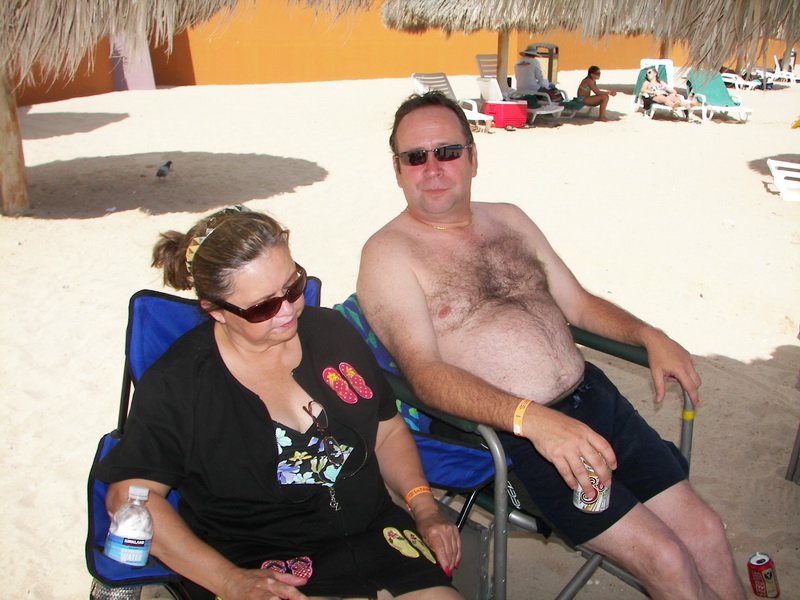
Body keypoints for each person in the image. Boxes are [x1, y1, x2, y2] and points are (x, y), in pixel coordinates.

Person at [356, 92, 746, 600]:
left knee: (706, 533)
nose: (432, 168)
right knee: (666, 558)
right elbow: (425, 375)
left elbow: (577, 304)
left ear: (473, 157)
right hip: (518, 440)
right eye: (415, 157)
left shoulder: (509, 220)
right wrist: (531, 420)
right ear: (397, 170)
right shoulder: (388, 254)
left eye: (447, 152)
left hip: (595, 400)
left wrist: (648, 335)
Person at [96, 206, 462, 600]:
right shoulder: (180, 384)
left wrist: (424, 508)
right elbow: (129, 497)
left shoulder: (332, 332)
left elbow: (386, 430)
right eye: (263, 306)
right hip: (260, 563)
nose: (288, 310)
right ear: (215, 310)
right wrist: (229, 581)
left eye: (293, 286)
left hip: (378, 534)